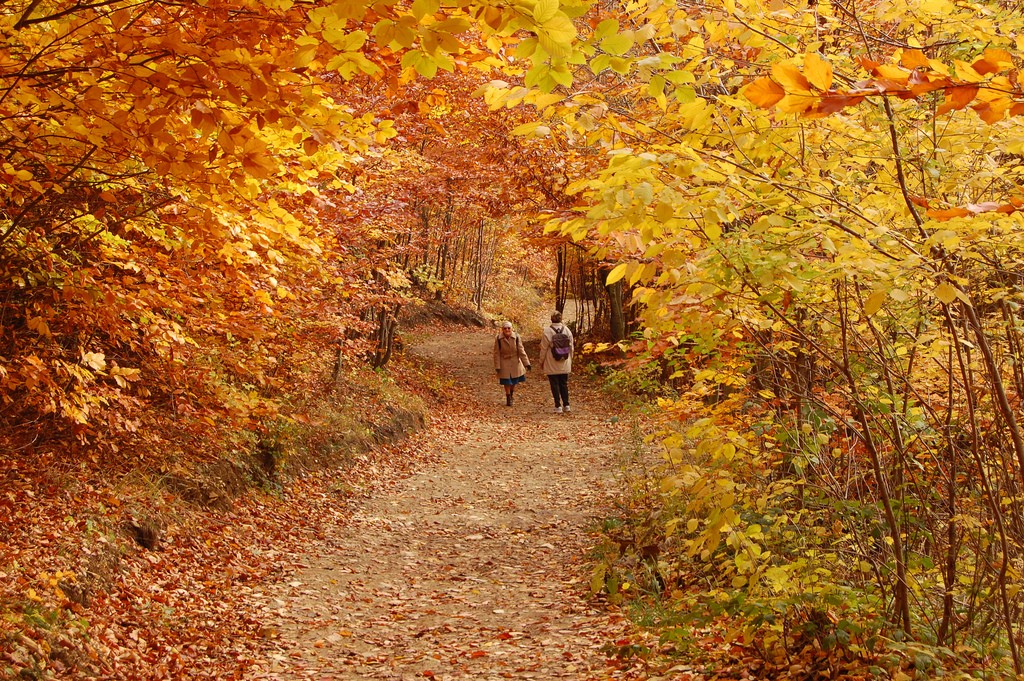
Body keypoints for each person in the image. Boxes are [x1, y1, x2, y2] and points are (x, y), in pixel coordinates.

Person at [539, 311, 573, 413]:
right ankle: (566, 405)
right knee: (564, 383)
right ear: (561, 319)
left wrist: (541, 361)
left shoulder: (547, 331)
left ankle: (558, 406)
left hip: (551, 361)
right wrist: (571, 359)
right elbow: (571, 347)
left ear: (551, 319)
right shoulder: (567, 330)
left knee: (554, 384)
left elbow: (543, 348)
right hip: (564, 361)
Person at [493, 321, 531, 406]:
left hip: (515, 362)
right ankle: (508, 397)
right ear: (502, 329)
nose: (507, 330)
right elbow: (496, 353)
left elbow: (521, 350)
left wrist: (527, 363)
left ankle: (511, 393)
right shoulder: (498, 338)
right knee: (506, 381)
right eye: (505, 328)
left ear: (512, 328)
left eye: (508, 328)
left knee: (514, 381)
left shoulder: (516, 337)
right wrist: (497, 365)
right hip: (504, 361)